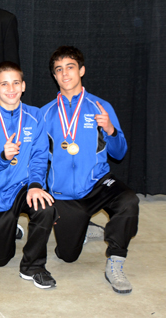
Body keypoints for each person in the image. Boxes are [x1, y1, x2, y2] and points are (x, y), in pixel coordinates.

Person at [41, 46, 139, 294]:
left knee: (128, 200)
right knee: (67, 256)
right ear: (54, 76)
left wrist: (111, 130)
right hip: (64, 193)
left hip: (98, 183)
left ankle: (115, 262)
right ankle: (84, 227)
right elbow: (37, 158)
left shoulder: (100, 107)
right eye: (59, 70)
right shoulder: (45, 114)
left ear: (81, 70)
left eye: (70, 67)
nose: (65, 74)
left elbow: (119, 153)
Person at [0, 62, 57, 289]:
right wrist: (2, 155)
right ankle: (1, 230)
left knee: (45, 206)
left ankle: (33, 267)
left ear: (23, 86)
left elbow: (40, 156)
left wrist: (35, 184)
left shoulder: (35, 115)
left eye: (15, 83)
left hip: (24, 186)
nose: (10, 88)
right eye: (4, 83)